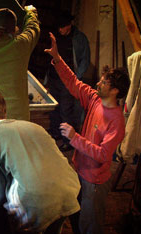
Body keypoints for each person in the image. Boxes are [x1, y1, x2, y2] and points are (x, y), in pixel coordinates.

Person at [44, 32, 130, 234]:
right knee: (78, 219)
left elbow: (102, 154)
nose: (98, 84)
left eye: (104, 82)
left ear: (115, 91)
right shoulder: (94, 99)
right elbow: (73, 82)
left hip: (94, 181)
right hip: (80, 171)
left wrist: (74, 138)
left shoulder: (117, 122)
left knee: (91, 227)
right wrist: (57, 58)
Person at [0, 89, 81, 234]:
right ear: (4, 111)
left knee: (15, 232)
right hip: (69, 191)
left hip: (35, 201)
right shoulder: (35, 127)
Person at [44, 11, 90, 151]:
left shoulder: (79, 38)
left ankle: (68, 141)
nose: (60, 30)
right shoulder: (56, 36)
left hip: (67, 81)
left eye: (63, 27)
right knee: (54, 108)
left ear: (70, 25)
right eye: (59, 27)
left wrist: (76, 78)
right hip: (54, 78)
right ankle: (55, 133)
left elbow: (85, 60)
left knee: (66, 110)